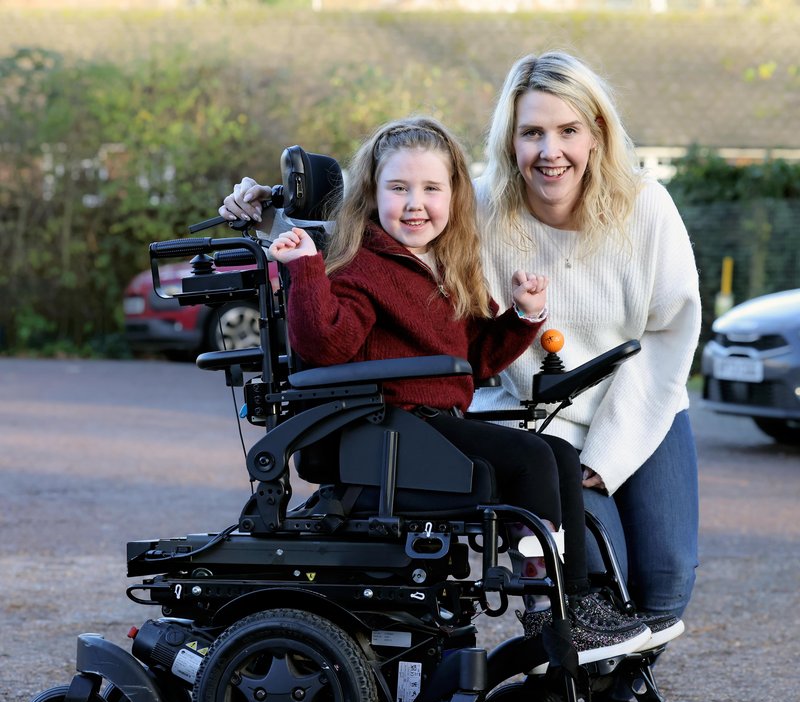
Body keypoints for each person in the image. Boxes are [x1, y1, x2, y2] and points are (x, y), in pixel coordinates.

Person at [220, 116, 652, 666]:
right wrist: (305, 268)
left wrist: (524, 314)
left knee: (561, 454)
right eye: (398, 188)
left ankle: (580, 604)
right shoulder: (359, 267)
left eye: (431, 189)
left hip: (430, 426)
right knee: (527, 460)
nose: (415, 203)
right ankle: (549, 610)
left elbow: (476, 359)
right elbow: (325, 346)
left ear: (454, 196)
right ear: (372, 195)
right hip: (389, 431)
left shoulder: (446, 268)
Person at [470, 51, 701, 702]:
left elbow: (670, 334)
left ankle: (617, 693)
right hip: (539, 420)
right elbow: (389, 202)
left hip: (641, 405)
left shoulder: (646, 207)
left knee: (666, 578)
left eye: (568, 130)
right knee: (590, 572)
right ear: (511, 139)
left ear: (596, 133)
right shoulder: (479, 207)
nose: (551, 151)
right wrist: (273, 206)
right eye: (532, 133)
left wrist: (608, 456)